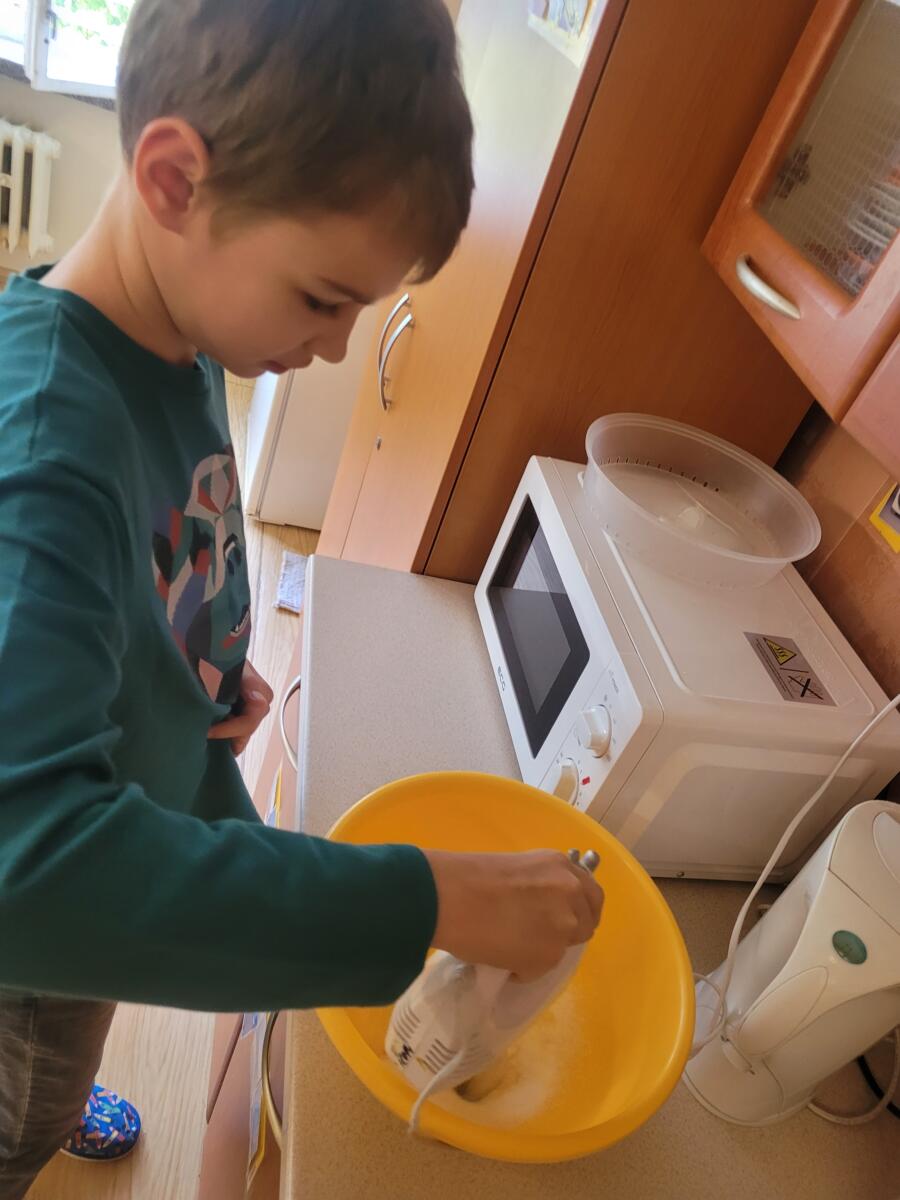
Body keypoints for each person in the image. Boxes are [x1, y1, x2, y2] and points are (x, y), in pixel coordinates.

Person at [0, 1, 603, 1194]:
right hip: (24, 969)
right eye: (324, 299)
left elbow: (159, 551)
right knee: (31, 1080)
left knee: (70, 1031)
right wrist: (428, 898)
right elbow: (32, 877)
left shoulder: (170, 346)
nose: (334, 348)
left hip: (111, 860)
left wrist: (192, 664)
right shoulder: (41, 457)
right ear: (175, 181)